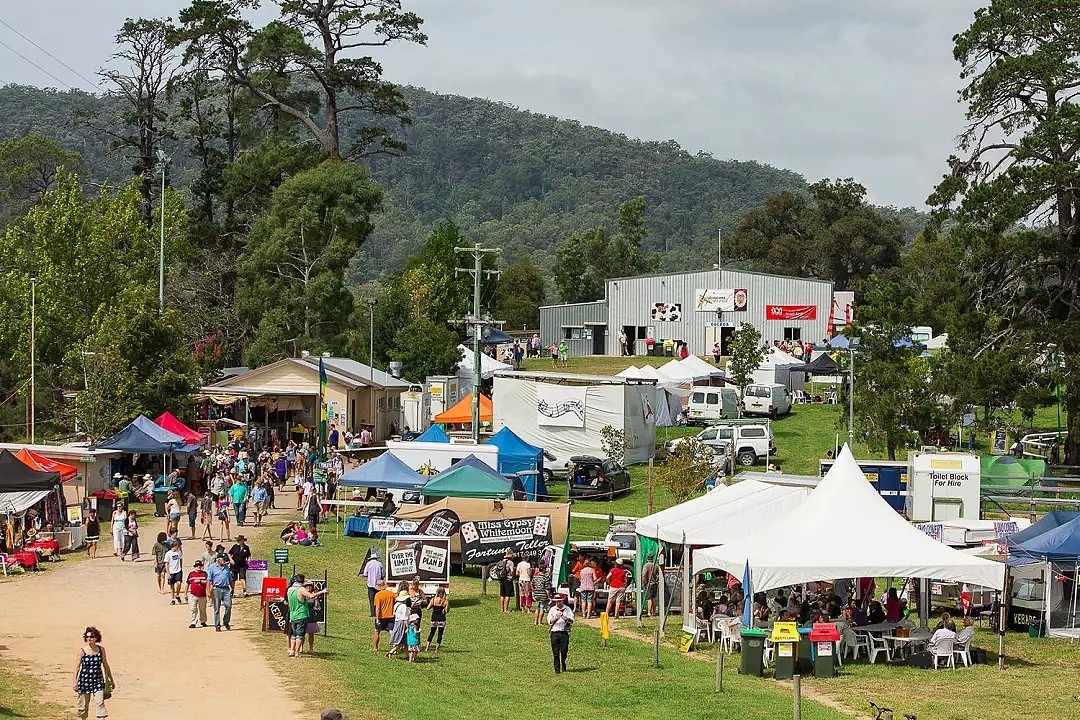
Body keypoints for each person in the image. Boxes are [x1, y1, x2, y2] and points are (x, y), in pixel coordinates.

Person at [73, 626, 115, 720]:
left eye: (91, 637)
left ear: (96, 638)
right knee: (83, 708)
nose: (89, 639)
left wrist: (111, 679)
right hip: (84, 682)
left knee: (100, 704)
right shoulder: (82, 651)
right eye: (87, 637)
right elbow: (77, 667)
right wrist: (75, 682)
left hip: (98, 681)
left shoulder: (101, 650)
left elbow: (105, 665)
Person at [547, 593, 573, 674]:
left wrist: (564, 617)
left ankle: (563, 665)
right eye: (556, 602)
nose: (558, 603)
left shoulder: (567, 609)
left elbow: (572, 621)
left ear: (562, 601)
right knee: (555, 652)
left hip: (564, 632)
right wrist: (556, 618)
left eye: (559, 601)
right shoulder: (552, 610)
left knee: (564, 651)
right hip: (555, 632)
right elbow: (549, 621)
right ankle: (557, 670)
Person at [207, 553, 233, 631]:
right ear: (218, 560)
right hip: (216, 589)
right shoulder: (212, 567)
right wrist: (208, 591)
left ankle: (226, 621)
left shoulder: (226, 567)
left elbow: (229, 578)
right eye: (223, 559)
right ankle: (217, 625)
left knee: (228, 606)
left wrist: (232, 588)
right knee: (217, 608)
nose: (224, 561)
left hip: (226, 588)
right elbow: (209, 580)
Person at [372, 579, 396, 651]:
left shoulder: (378, 595)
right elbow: (397, 599)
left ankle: (375, 648)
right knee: (391, 632)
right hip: (390, 616)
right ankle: (393, 648)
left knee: (377, 631)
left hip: (381, 616)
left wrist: (377, 618)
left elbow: (378, 608)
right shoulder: (391, 594)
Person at [386, 589, 411, 658]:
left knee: (404, 642)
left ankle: (407, 655)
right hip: (402, 624)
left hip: (397, 622)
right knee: (402, 640)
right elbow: (404, 618)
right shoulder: (404, 606)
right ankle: (391, 652)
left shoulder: (396, 605)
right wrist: (408, 627)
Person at [361, 548, 385, 618]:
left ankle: (373, 613)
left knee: (371, 600)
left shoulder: (368, 564)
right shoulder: (379, 564)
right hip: (379, 585)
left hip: (370, 584)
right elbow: (383, 574)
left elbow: (365, 573)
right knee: (378, 599)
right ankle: (379, 612)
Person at [187, 559, 209, 628]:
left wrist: (200, 581)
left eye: (200, 565)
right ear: (195, 567)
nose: (198, 567)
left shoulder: (204, 574)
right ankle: (193, 622)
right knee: (193, 608)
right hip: (193, 594)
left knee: (202, 609)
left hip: (202, 594)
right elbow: (187, 583)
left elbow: (208, 582)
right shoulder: (191, 574)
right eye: (197, 566)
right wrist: (185, 593)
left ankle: (203, 621)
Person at [426, 586, 449, 652]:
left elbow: (428, 608)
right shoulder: (444, 600)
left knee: (432, 632)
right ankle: (436, 649)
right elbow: (446, 611)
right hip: (441, 618)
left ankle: (427, 648)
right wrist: (447, 604)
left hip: (434, 617)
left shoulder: (433, 599)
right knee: (440, 634)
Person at [164, 539, 183, 605]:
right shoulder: (168, 554)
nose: (178, 548)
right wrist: (168, 573)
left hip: (178, 570)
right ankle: (172, 599)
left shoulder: (179, 552)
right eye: (177, 546)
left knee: (179, 583)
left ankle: (177, 595)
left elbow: (180, 560)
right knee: (172, 586)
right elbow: (166, 564)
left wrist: (181, 567)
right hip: (171, 571)